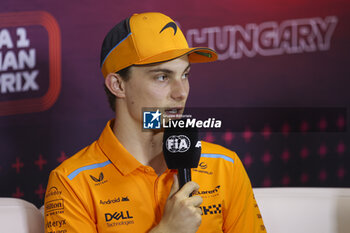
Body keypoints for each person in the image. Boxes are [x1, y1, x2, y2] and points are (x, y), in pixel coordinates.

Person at [44, 12, 266, 233]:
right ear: (118, 85)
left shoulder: (224, 166)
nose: (181, 93)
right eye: (162, 77)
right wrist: (168, 230)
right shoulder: (72, 183)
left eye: (185, 75)